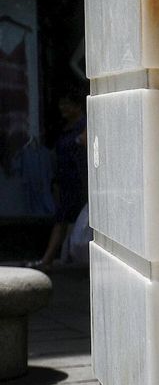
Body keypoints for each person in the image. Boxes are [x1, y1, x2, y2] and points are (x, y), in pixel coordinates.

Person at [30, 95, 88, 272]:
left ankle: (49, 259)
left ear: (78, 106)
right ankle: (55, 258)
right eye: (61, 104)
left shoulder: (85, 124)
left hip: (80, 180)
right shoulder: (65, 128)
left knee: (66, 220)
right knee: (64, 219)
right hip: (66, 180)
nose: (63, 109)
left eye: (67, 104)